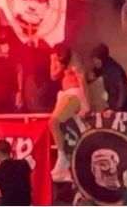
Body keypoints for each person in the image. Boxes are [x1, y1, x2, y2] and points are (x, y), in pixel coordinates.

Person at [49, 44, 87, 181]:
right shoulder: (56, 59)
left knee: (54, 122)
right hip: (65, 95)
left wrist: (85, 102)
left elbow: (82, 79)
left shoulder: (74, 58)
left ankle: (63, 158)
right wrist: (54, 61)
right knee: (60, 128)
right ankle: (66, 165)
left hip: (75, 94)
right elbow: (53, 76)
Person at [88, 43, 127, 112]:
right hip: (117, 105)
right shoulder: (105, 67)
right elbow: (92, 76)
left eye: (94, 60)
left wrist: (117, 108)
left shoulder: (115, 70)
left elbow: (123, 91)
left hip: (126, 107)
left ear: (100, 59)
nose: (94, 63)